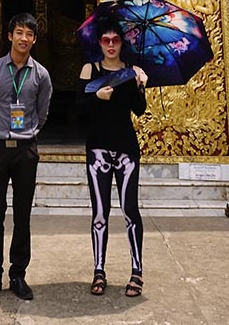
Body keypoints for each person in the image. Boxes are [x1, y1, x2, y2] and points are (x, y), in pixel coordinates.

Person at [0, 13, 52, 302]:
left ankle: (18, 274)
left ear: (34, 40)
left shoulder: (41, 74)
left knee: (22, 214)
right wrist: (0, 131)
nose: (24, 38)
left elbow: (42, 113)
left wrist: (27, 133)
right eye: (19, 32)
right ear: (9, 35)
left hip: (26, 151)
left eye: (29, 34)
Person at [76, 20, 148, 298]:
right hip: (98, 149)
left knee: (130, 210)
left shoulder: (131, 73)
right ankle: (99, 269)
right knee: (100, 213)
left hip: (126, 149)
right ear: (99, 43)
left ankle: (137, 271)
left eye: (115, 40)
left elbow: (139, 110)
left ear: (121, 43)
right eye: (105, 40)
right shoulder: (90, 70)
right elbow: (80, 108)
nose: (110, 44)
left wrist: (141, 85)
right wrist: (98, 97)